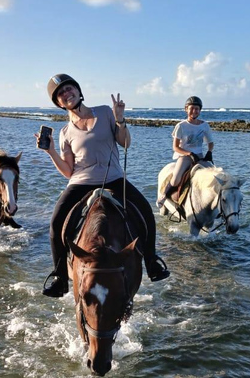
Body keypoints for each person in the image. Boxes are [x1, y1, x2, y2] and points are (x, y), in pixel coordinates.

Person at [36, 73, 170, 297]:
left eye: (69, 89)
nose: (66, 94)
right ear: (58, 103)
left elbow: (125, 142)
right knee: (56, 223)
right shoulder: (65, 132)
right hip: (81, 182)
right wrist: (50, 151)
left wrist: (120, 119)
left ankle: (152, 261)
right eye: (60, 94)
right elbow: (68, 171)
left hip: (113, 178)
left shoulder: (105, 113)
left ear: (79, 91)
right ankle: (60, 276)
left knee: (146, 211)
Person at [157, 96, 214, 207]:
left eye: (197, 109)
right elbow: (176, 147)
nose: (194, 111)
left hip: (199, 157)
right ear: (186, 109)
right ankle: (164, 195)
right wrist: (189, 153)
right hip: (184, 156)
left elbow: (210, 142)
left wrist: (209, 152)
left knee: (214, 176)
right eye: (191, 108)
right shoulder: (181, 126)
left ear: (200, 110)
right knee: (176, 179)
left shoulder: (204, 125)